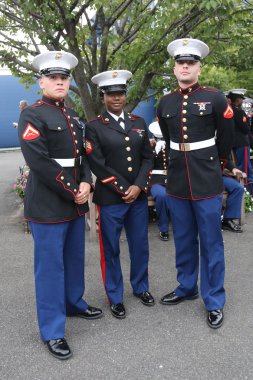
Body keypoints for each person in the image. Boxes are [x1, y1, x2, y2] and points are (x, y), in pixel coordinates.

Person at [18, 51, 103, 360]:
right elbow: (38, 161)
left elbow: (81, 156)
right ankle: (53, 330)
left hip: (73, 200)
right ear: (41, 81)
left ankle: (73, 303)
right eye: (53, 77)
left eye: (63, 78)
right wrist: (73, 189)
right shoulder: (33, 115)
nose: (59, 82)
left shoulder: (72, 115)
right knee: (50, 269)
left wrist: (86, 181)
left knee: (74, 259)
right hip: (48, 204)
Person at [157, 38, 234, 329]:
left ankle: (214, 300)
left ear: (199, 67)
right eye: (180, 62)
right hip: (177, 180)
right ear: (175, 68)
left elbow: (225, 138)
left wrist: (218, 167)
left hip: (206, 179)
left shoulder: (215, 98)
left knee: (211, 242)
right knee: (185, 240)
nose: (185, 66)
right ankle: (186, 287)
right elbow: (168, 138)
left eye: (190, 62)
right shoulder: (165, 102)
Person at [85, 70, 155, 319]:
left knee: (140, 245)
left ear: (126, 95)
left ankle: (141, 287)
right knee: (110, 249)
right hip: (111, 199)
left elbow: (147, 158)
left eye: (120, 93)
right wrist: (124, 188)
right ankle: (115, 296)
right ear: (103, 96)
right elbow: (97, 163)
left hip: (136, 198)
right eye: (111, 94)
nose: (116, 98)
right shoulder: (93, 127)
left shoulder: (139, 122)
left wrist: (138, 186)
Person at [227, 89, 253, 194]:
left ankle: (243, 189)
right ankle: (248, 192)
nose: (242, 101)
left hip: (233, 143)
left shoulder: (228, 110)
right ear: (237, 100)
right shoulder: (239, 111)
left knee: (237, 167)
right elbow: (246, 129)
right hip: (242, 142)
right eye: (241, 99)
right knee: (246, 168)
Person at [148, 121, 170, 241]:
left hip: (173, 179)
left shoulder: (172, 145)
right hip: (155, 180)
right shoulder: (149, 147)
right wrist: (151, 148)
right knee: (161, 195)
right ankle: (164, 228)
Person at [222, 159, 244, 233]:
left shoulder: (219, 147)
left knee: (238, 188)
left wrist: (233, 167)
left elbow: (225, 158)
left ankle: (227, 220)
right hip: (204, 177)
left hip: (219, 176)